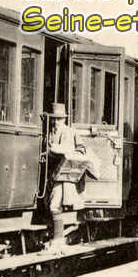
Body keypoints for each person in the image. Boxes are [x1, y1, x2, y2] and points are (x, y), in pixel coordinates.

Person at [46, 103, 86, 251]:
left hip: (64, 178)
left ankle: (58, 240)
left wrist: (61, 150)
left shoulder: (71, 132)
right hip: (51, 175)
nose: (56, 122)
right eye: (54, 119)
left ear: (64, 120)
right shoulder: (50, 133)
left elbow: (81, 150)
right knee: (52, 205)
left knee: (54, 206)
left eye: (59, 119)